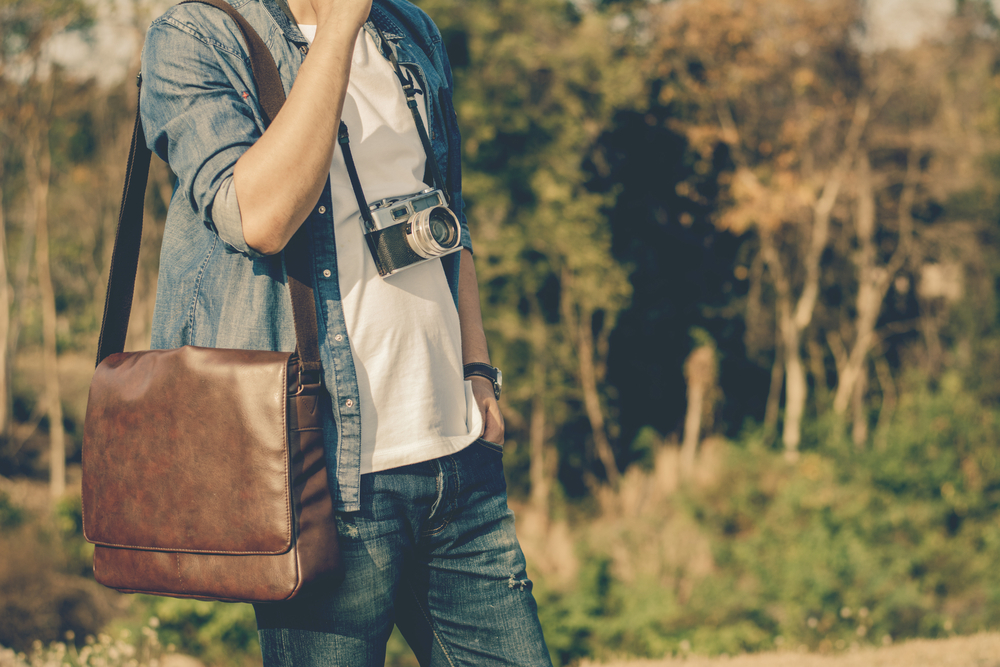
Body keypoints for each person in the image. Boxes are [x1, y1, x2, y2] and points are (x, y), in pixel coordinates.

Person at [138, 0, 552, 664]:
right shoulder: (197, 34)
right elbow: (259, 218)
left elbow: (451, 215)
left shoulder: (410, 29)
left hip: (457, 459)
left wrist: (478, 369)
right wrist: (335, 31)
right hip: (321, 473)